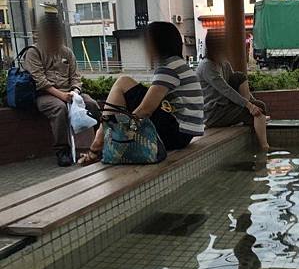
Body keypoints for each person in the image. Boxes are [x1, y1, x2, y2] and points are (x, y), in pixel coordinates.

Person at [78, 21, 204, 165]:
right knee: (127, 89)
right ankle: (99, 143)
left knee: (122, 83)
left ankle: (97, 147)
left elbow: (146, 110)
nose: (146, 48)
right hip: (184, 134)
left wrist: (125, 131)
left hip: (175, 134)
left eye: (147, 43)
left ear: (159, 44)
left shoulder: (169, 68)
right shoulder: (180, 65)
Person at [24, 15, 100, 167]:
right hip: (46, 95)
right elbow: (40, 80)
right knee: (59, 109)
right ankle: (62, 150)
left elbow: (76, 77)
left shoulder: (67, 52)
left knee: (92, 104)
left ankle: (99, 145)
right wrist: (62, 96)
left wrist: (75, 92)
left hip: (70, 93)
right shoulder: (33, 52)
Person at [196, 57, 269, 151]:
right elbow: (226, 90)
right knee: (259, 110)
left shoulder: (224, 63)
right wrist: (250, 106)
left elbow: (234, 85)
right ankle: (264, 148)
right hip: (213, 113)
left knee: (239, 77)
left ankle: (258, 146)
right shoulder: (207, 66)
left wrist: (253, 104)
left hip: (225, 107)